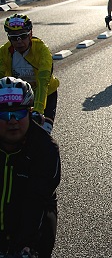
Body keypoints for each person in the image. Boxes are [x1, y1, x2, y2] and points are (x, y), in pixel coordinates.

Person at [0, 76, 60, 258]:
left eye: (19, 113)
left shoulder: (45, 148)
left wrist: (26, 245)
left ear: (30, 113)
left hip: (32, 224)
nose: (12, 121)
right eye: (4, 114)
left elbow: (36, 199)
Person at [0, 14, 59, 134]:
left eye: (23, 36)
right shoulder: (4, 52)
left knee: (42, 133)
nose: (19, 41)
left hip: (45, 93)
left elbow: (43, 81)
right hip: (19, 97)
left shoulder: (42, 50)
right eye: (14, 38)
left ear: (30, 34)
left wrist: (38, 110)